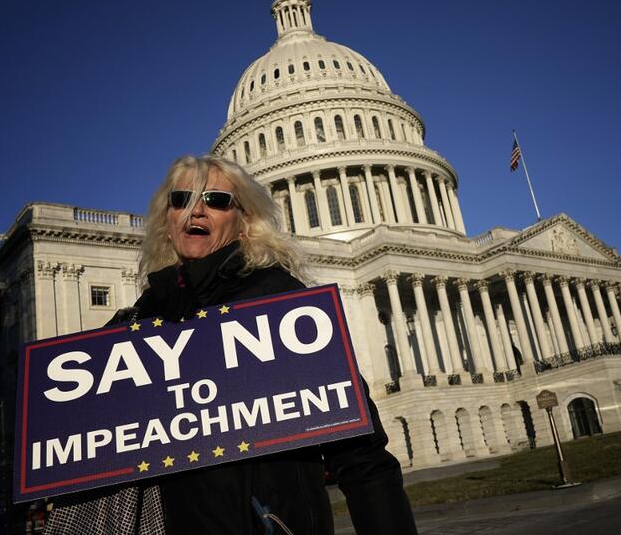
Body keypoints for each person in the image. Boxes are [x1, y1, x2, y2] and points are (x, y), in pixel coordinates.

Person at [45, 154, 417, 535]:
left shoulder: (281, 302)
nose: (197, 211)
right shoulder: (141, 319)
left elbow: (361, 455)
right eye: (182, 200)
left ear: (244, 222)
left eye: (217, 200)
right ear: (167, 221)